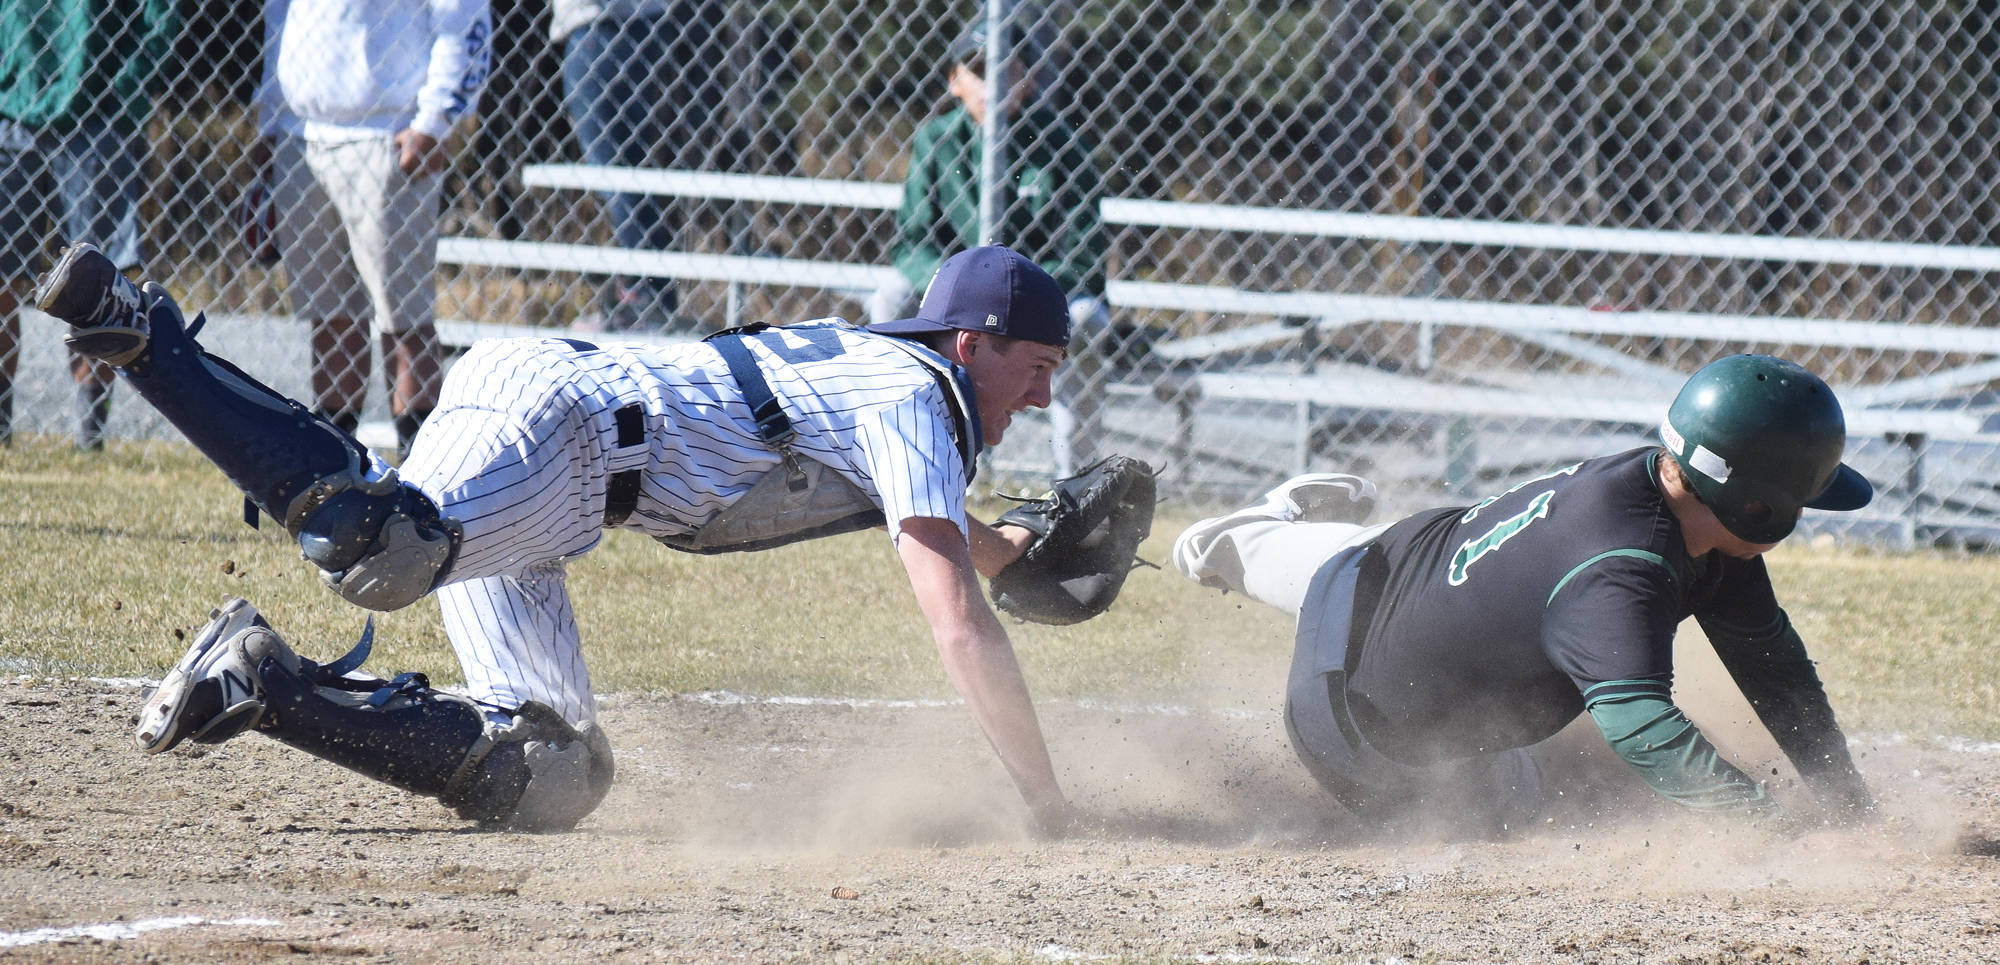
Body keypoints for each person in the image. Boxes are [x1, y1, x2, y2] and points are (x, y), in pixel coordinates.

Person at [40, 241, 1088, 834]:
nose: (1041, 395)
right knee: (381, 549)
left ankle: (268, 685)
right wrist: (1045, 794)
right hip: (575, 430)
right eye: (1035, 364)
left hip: (571, 474)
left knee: (550, 772)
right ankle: (145, 330)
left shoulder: (893, 379)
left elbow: (947, 541)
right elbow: (954, 621)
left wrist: (1016, 551)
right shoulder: (917, 391)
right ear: (968, 341)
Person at [1171, 354, 1879, 834]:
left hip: (1385, 561)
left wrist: (1849, 808)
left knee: (1373, 576)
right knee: (1564, 802)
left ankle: (1249, 541)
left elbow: (1775, 671)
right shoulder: (1621, 568)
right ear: (1754, 504)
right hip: (1357, 731)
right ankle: (1253, 542)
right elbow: (1644, 732)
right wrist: (1778, 833)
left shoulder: (1677, 504)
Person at [870, 10, 1111, 477]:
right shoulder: (937, 141)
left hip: (1043, 302)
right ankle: (909, 458)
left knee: (1088, 319)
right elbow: (912, 240)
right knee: (890, 296)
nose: (993, 85)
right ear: (955, 81)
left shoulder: (1061, 144)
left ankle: (1075, 480)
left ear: (1027, 79)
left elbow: (1085, 256)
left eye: (1007, 72)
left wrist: (1018, 295)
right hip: (957, 299)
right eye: (979, 72)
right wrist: (959, 292)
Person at [253, 0, 492, 454]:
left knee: (404, 320)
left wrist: (435, 122)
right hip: (302, 137)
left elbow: (461, 19)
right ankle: (335, 468)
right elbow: (279, 20)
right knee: (330, 319)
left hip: (388, 136)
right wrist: (270, 121)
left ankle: (424, 473)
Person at [0, 0, 178, 449]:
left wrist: (125, 81)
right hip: (10, 107)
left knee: (94, 287)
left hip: (96, 114)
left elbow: (163, 15)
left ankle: (89, 437)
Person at [551, 0, 709, 333]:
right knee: (632, 172)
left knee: (613, 172)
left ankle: (642, 297)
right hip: (643, 25)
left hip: (601, 27)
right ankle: (652, 296)